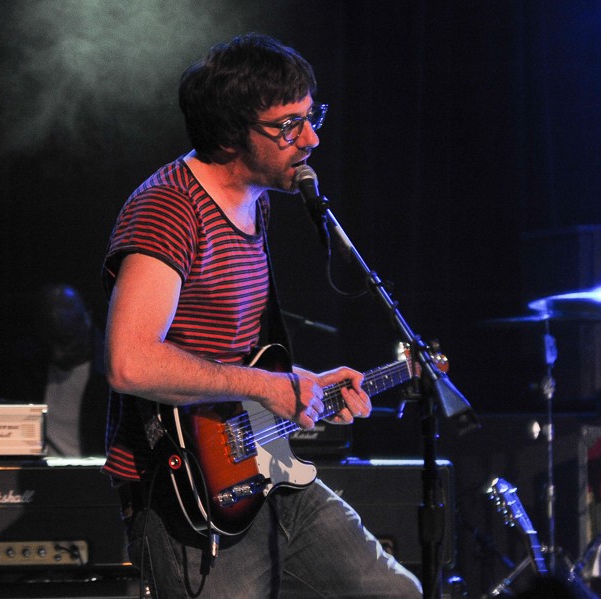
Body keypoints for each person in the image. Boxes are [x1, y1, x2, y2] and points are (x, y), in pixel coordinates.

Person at [102, 33, 423, 598]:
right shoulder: (169, 209)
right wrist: (267, 386)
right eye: (288, 126)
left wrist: (303, 386)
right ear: (231, 134)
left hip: (265, 468)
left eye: (311, 117)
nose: (311, 138)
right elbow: (130, 362)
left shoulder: (257, 203)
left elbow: (240, 359)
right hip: (189, 492)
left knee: (397, 593)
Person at [6, 283, 107, 456]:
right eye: (51, 340)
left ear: (87, 320)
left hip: (94, 472)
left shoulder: (111, 376)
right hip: (41, 470)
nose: (58, 352)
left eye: (66, 339)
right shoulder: (29, 370)